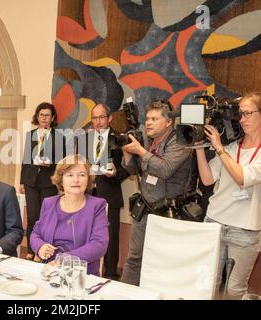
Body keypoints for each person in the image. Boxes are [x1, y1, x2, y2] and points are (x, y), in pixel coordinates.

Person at [196, 92, 261, 298]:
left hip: (245, 229)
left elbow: (243, 177)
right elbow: (207, 179)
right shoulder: (232, 147)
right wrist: (197, 147)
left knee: (234, 290)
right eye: (240, 115)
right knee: (207, 284)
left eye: (248, 114)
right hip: (213, 221)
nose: (242, 120)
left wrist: (219, 148)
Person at [120, 100, 196, 285]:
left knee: (164, 263)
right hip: (145, 208)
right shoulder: (148, 140)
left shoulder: (181, 141)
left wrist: (140, 151)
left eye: (154, 119)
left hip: (170, 213)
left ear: (168, 122)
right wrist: (128, 152)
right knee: (134, 259)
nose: (148, 123)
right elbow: (133, 171)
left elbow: (165, 169)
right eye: (147, 119)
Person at [30, 154, 109, 276]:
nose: (76, 180)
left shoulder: (97, 206)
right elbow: (36, 233)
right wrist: (40, 247)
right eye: (70, 175)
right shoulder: (49, 203)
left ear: (88, 179)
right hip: (49, 271)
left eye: (81, 175)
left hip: (82, 275)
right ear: (61, 179)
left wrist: (62, 260)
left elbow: (99, 244)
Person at [76, 103, 129, 279]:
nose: (98, 122)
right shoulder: (84, 139)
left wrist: (115, 173)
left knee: (110, 236)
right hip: (87, 194)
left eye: (101, 117)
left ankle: (111, 274)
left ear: (110, 118)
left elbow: (127, 169)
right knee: (84, 233)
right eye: (94, 118)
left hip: (109, 195)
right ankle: (84, 270)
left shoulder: (120, 139)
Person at [20, 102, 65, 260]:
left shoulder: (59, 137)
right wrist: (21, 181)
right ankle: (32, 250)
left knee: (46, 217)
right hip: (30, 181)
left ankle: (44, 250)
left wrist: (49, 164)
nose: (44, 118)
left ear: (52, 118)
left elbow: (61, 162)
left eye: (47, 115)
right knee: (32, 216)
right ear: (37, 116)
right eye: (41, 115)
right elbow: (26, 159)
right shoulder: (30, 135)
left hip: (48, 181)